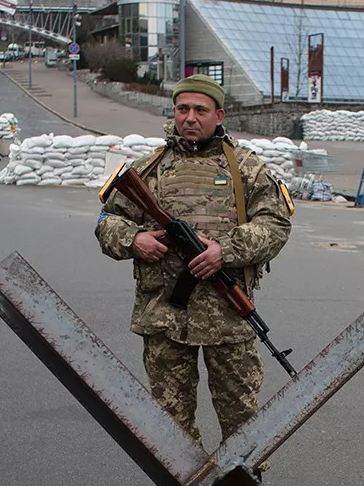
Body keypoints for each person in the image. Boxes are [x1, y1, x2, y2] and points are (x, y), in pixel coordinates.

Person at [95, 75, 293, 447]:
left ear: (218, 115)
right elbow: (107, 221)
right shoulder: (149, 168)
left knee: (241, 413)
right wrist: (133, 239)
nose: (189, 118)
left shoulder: (246, 168)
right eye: (182, 108)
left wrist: (225, 250)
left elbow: (276, 224)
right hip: (163, 314)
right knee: (170, 418)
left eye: (200, 110)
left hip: (228, 316)